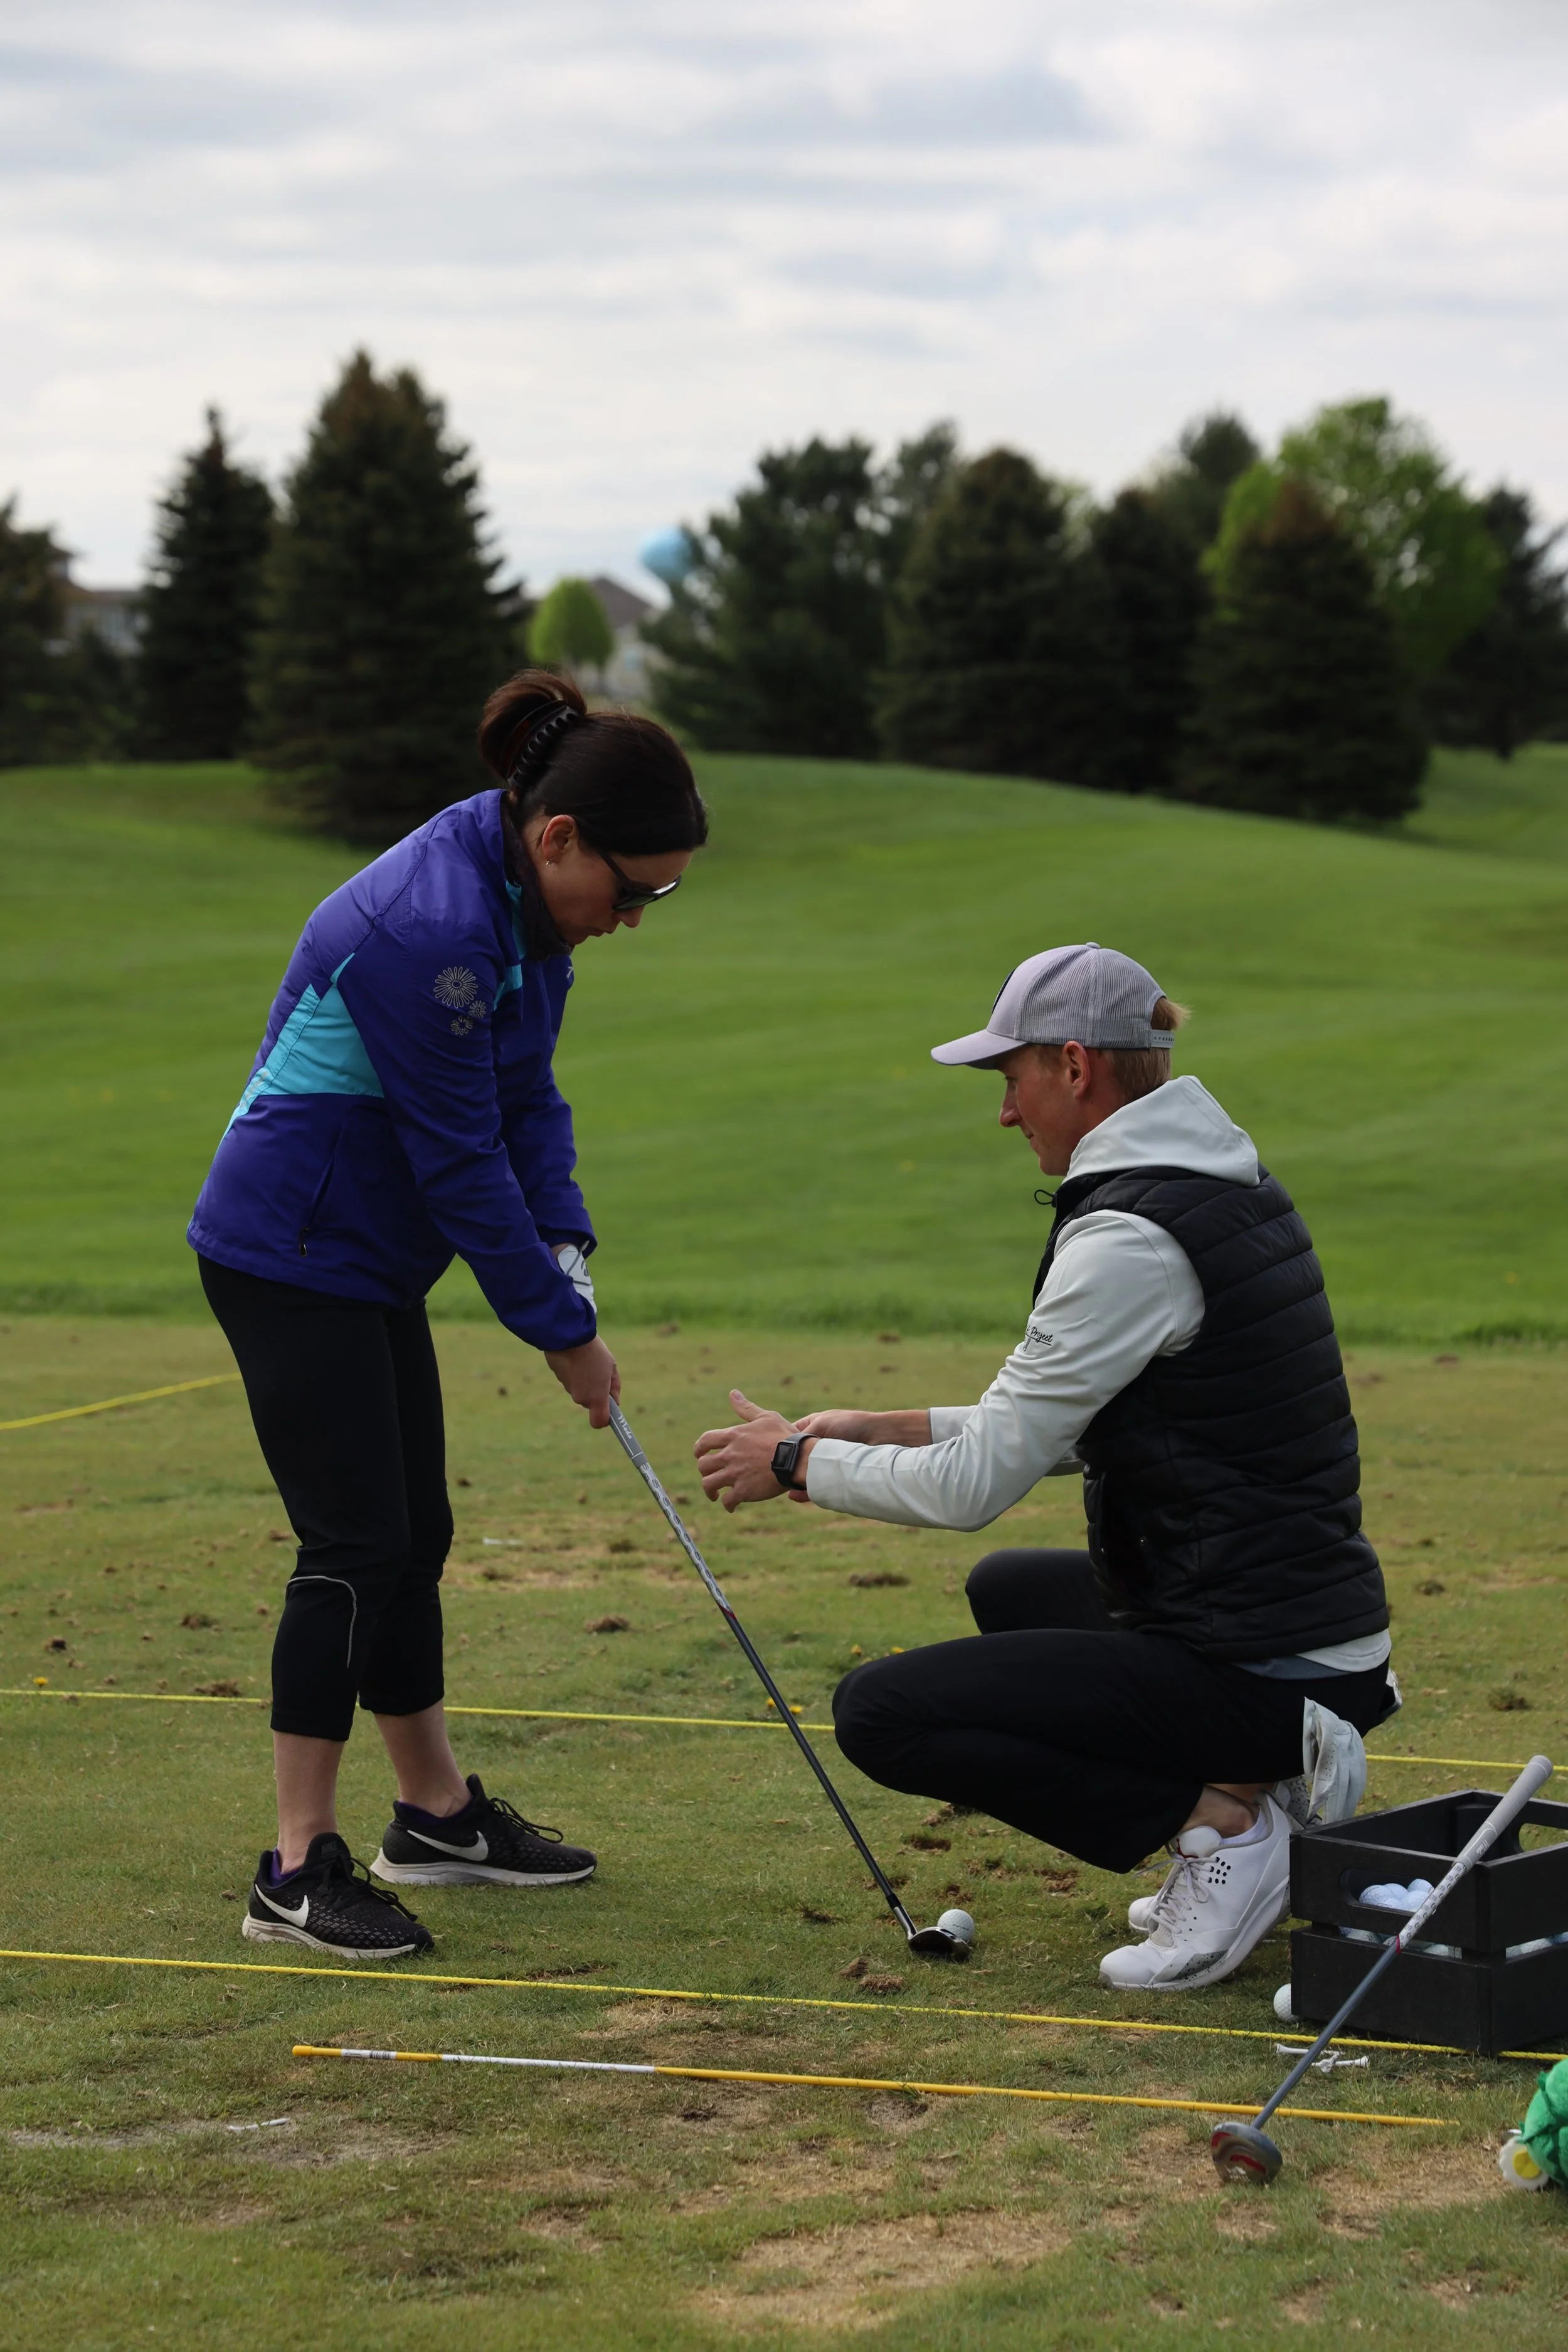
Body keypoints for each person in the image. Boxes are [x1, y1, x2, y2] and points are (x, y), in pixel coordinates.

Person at [695, 943, 1397, 1992]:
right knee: (1011, 1591)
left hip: (1272, 1663)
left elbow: (976, 1485)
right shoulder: (1218, 1180)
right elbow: (1106, 1425)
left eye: (1010, 1077)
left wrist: (800, 1459)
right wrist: (871, 1426)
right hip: (1308, 1635)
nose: (1005, 1111)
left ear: (1076, 1065)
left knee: (881, 1712)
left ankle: (1224, 1828)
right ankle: (1254, 1795)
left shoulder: (1130, 1235)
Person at [190, 670, 707, 1960]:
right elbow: (458, 1161)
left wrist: (569, 1249)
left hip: (363, 1260)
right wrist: (559, 1330)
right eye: (630, 889)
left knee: (414, 1530)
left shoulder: (528, 921)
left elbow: (528, 1108)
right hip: (290, 1248)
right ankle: (293, 1869)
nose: (636, 918)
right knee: (352, 1546)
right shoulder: (431, 928)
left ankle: (433, 1817)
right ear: (556, 838)